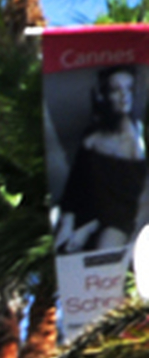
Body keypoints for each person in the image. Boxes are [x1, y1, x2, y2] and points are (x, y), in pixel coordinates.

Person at [55, 64, 149, 256]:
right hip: (101, 219)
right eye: (116, 90)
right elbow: (73, 196)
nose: (124, 96)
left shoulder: (141, 135)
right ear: (104, 95)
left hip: (133, 222)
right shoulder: (93, 141)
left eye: (129, 89)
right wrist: (73, 225)